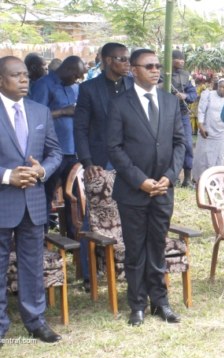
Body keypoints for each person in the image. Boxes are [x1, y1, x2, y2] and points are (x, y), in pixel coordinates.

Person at [107, 49, 186, 326]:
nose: (156, 70)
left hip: (164, 188)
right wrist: (139, 180)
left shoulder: (170, 102)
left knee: (157, 245)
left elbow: (180, 142)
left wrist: (170, 175)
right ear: (133, 70)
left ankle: (160, 302)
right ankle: (137, 304)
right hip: (133, 190)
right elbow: (114, 148)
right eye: (149, 66)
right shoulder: (119, 104)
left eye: (157, 66)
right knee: (135, 249)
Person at [0, 56, 62, 343]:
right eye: (16, 75)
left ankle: (35, 321)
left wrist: (42, 170)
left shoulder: (40, 112)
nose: (24, 80)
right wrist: (7, 176)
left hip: (34, 203)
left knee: (31, 264)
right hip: (3, 199)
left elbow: (55, 153)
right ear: (1, 80)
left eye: (26, 75)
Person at [74, 42, 134, 291]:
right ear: (108, 60)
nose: (127, 63)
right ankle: (89, 275)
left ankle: (128, 267)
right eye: (122, 59)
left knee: (130, 212)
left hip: (130, 159)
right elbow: (80, 127)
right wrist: (87, 162)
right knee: (95, 217)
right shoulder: (89, 89)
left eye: (128, 59)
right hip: (100, 160)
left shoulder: (133, 85)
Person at [30, 55, 85, 237]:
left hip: (74, 150)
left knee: (74, 196)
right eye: (76, 75)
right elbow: (35, 116)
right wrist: (62, 112)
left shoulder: (74, 87)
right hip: (52, 151)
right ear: (68, 70)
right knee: (46, 195)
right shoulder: (44, 85)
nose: (77, 80)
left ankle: (73, 237)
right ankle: (42, 237)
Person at [192, 78, 224, 181]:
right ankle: (199, 179)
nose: (222, 89)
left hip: (222, 133)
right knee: (203, 156)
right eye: (220, 87)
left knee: (219, 157)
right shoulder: (208, 95)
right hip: (207, 131)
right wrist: (201, 125)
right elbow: (201, 111)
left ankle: (215, 180)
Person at [169, 50, 197, 187]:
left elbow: (193, 94)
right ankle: (171, 176)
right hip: (166, 115)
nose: (181, 61)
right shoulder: (162, 74)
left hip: (183, 114)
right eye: (177, 59)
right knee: (168, 146)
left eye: (182, 59)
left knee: (187, 145)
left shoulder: (186, 75)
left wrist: (185, 96)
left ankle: (187, 178)